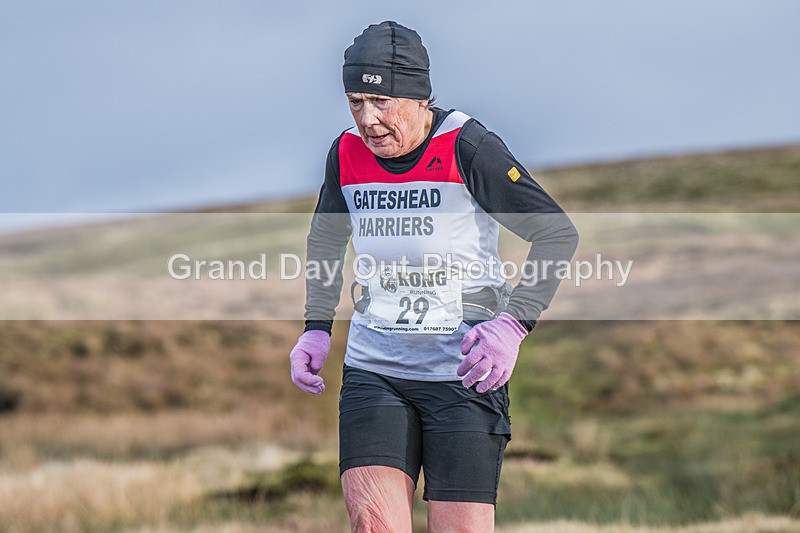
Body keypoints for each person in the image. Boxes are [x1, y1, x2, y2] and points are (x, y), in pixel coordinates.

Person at [289, 21, 579, 532]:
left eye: (381, 102)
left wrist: (512, 326)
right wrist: (316, 328)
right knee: (374, 525)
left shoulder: (467, 145)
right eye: (356, 103)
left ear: (418, 96)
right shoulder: (346, 153)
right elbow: (326, 240)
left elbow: (556, 234)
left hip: (462, 375)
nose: (368, 120)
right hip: (375, 371)